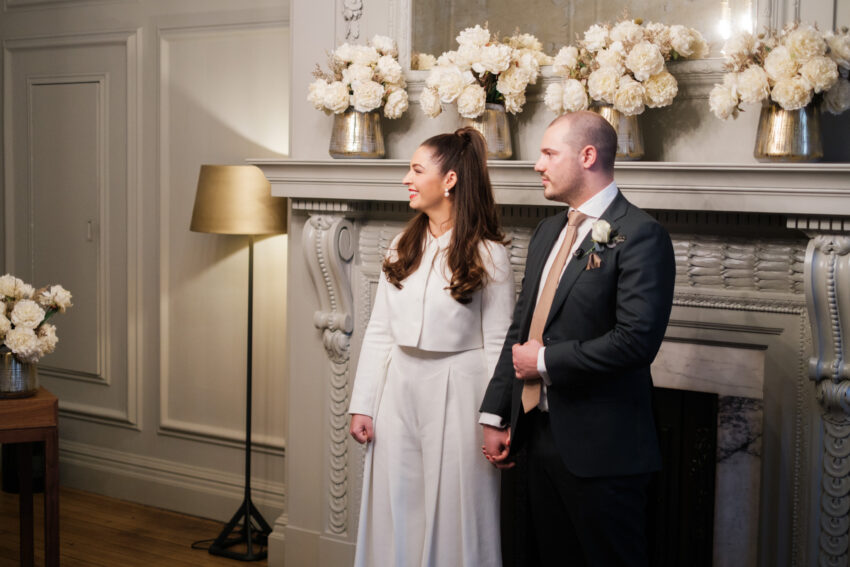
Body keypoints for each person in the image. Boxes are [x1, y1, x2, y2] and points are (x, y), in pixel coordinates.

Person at [479, 111, 675, 567]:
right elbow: (522, 328)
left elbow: (636, 342)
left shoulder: (643, 235)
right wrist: (496, 411)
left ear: (588, 156)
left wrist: (545, 363)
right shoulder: (549, 231)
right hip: (536, 436)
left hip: (603, 454)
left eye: (549, 153)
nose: (537, 165)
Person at [348, 127, 515, 567]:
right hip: (397, 391)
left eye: (416, 170)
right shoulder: (401, 247)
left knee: (458, 509)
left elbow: (499, 343)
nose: (407, 178)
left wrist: (497, 417)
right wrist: (363, 404)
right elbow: (379, 330)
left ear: (450, 180)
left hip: (461, 391)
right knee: (395, 504)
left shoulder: (490, 254)